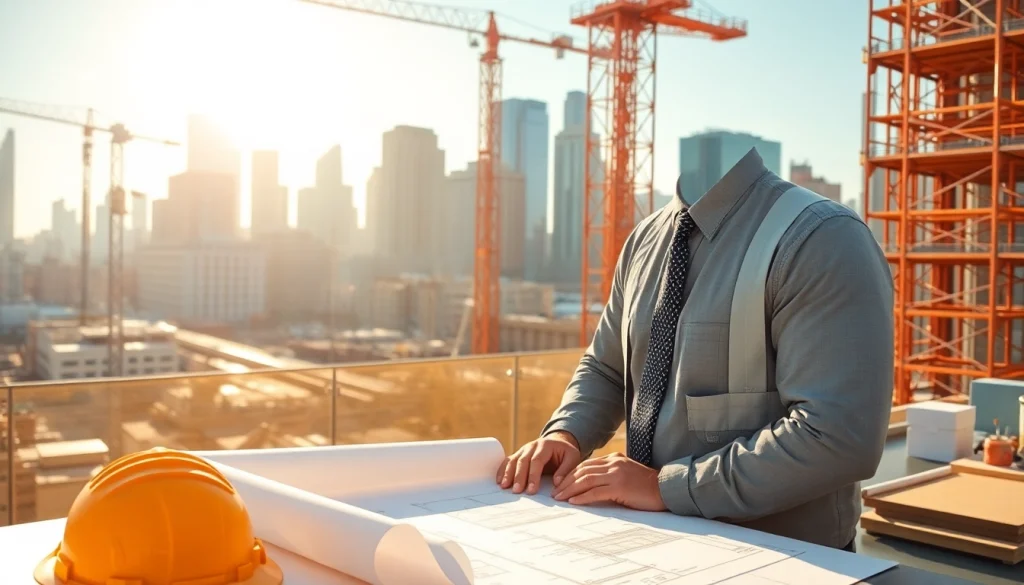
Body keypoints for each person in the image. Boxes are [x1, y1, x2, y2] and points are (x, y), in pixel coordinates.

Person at [495, 148, 894, 551]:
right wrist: (567, 434)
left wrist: (666, 488)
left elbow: (837, 437)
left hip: (787, 560)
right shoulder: (644, 240)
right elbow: (607, 367)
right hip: (652, 547)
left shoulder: (821, 238)